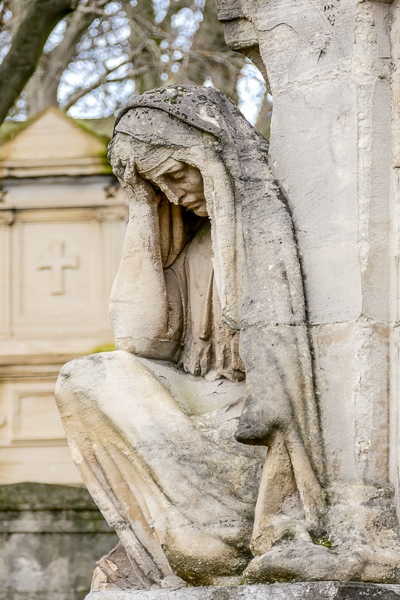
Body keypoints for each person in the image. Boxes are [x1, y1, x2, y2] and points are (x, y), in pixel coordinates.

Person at [55, 86, 327, 591]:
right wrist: (141, 207)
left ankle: (213, 535)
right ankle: (194, 537)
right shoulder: (194, 246)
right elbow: (138, 338)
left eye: (178, 174)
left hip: (257, 427)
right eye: (164, 186)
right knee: (84, 378)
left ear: (213, 155)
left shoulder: (277, 231)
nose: (177, 195)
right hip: (204, 408)